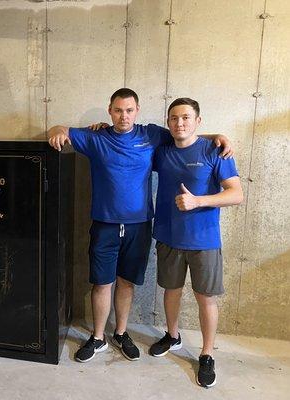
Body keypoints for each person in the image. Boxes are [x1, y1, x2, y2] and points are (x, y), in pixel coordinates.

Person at [48, 88, 233, 363]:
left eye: (129, 110)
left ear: (137, 111)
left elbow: (184, 135)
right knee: (102, 283)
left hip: (140, 225)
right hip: (105, 224)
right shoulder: (96, 137)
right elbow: (60, 128)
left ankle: (121, 333)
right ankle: (98, 337)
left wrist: (217, 137)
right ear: (110, 111)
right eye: (118, 110)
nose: (124, 116)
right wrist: (57, 130)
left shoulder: (151, 135)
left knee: (126, 282)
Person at [149, 98, 242, 388]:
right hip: (168, 235)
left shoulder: (216, 151)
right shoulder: (161, 152)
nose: (180, 123)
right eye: (174, 118)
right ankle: (173, 335)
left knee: (206, 298)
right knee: (171, 290)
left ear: (198, 121)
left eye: (186, 118)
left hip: (204, 239)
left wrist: (198, 201)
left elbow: (236, 194)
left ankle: (206, 354)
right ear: (168, 122)